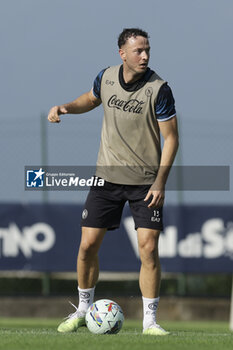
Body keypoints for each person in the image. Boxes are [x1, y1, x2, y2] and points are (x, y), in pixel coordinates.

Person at [48, 28, 179, 335]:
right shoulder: (105, 77)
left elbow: (171, 138)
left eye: (147, 50)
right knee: (87, 246)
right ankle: (82, 311)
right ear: (122, 53)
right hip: (106, 178)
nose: (144, 55)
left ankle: (149, 322)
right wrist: (66, 107)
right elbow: (91, 99)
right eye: (138, 51)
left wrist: (160, 181)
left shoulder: (159, 88)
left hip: (146, 182)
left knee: (148, 249)